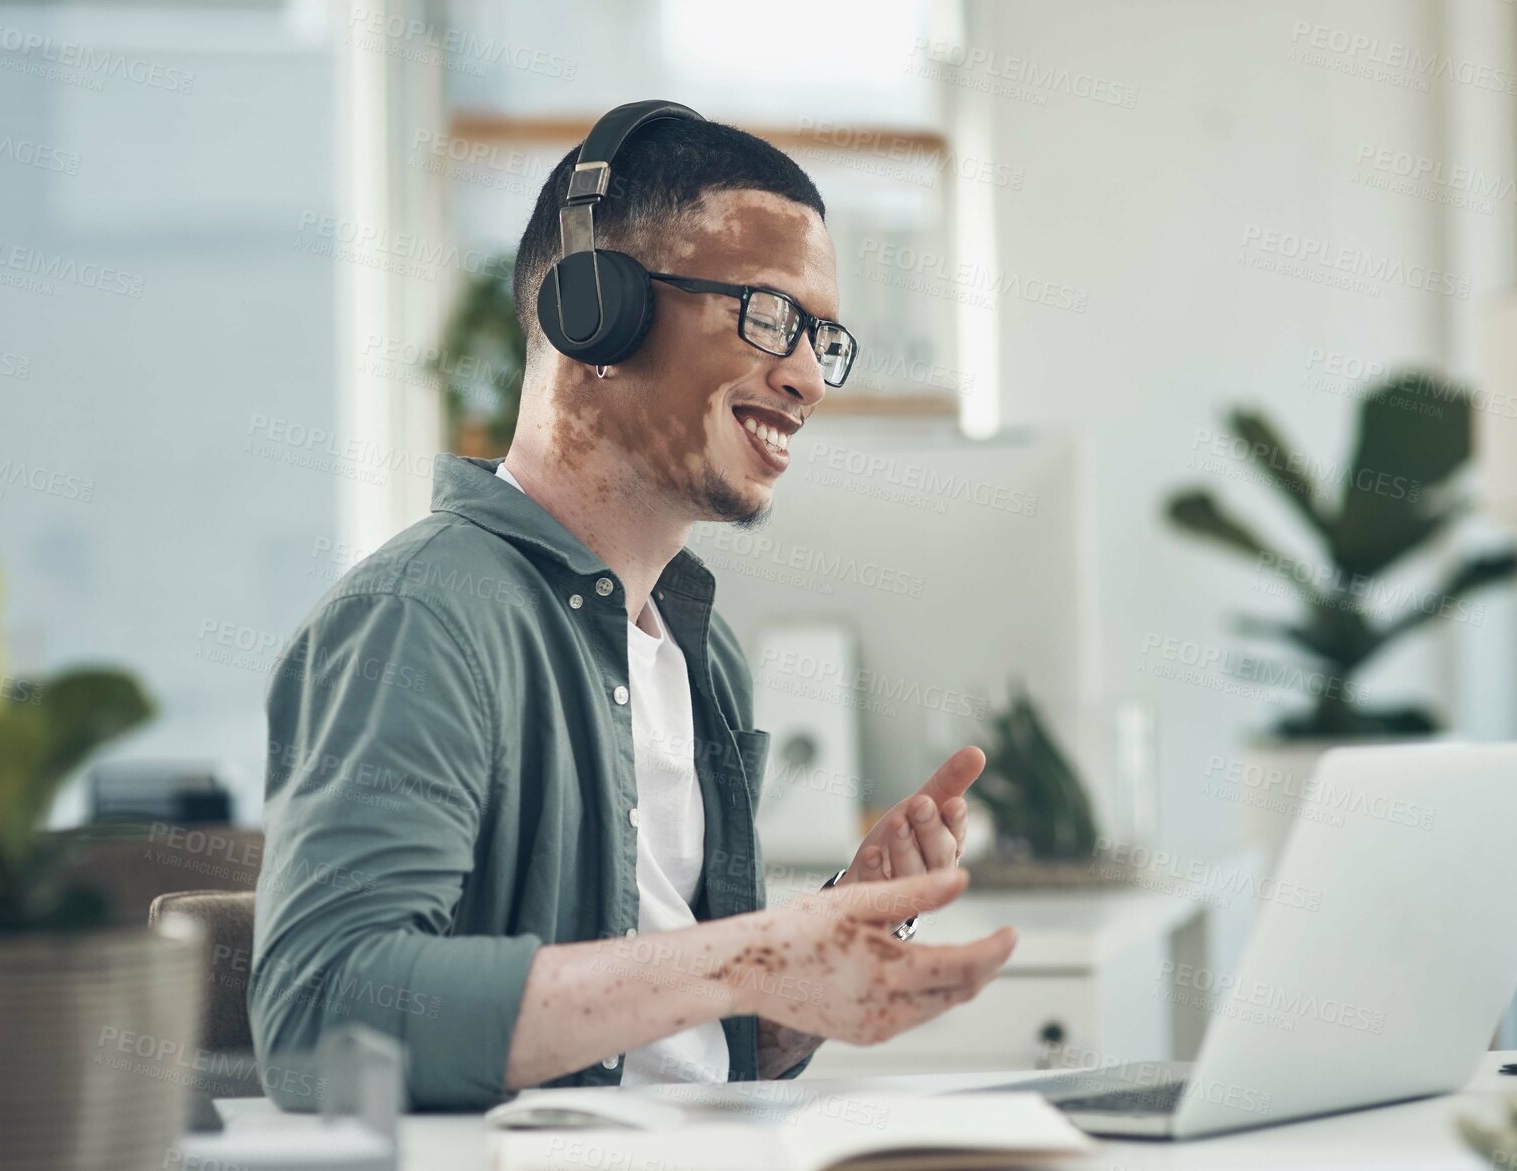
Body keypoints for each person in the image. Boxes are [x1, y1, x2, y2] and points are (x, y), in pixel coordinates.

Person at [250, 103, 1017, 1111]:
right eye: (770, 313)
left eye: (822, 337)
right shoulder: (422, 620)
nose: (803, 377)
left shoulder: (701, 653)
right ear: (594, 311)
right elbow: (322, 1022)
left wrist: (806, 965)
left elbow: (692, 1052)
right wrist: (742, 955)